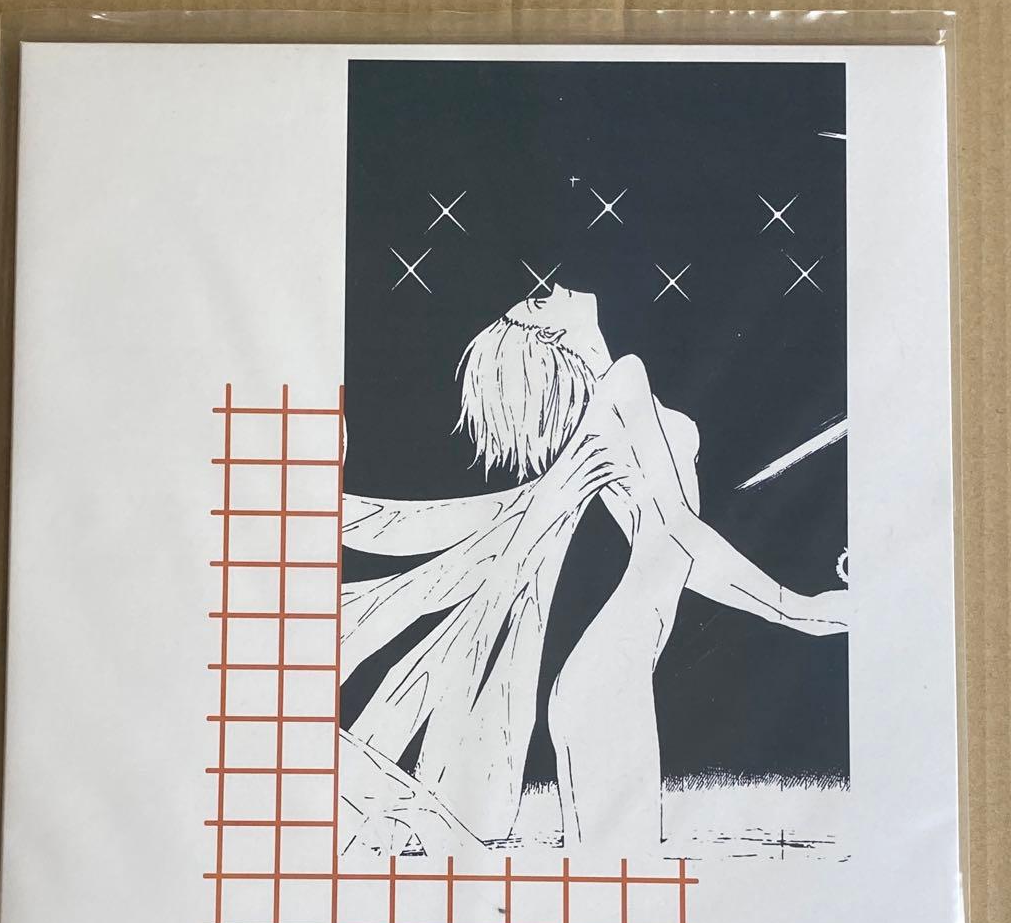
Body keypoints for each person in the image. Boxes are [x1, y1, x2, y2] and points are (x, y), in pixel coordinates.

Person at [339, 284, 847, 857]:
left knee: (615, 883)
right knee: (619, 885)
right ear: (548, 331)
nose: (558, 286)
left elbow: (670, 550)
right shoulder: (625, 384)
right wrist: (794, 607)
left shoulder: (612, 402)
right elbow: (678, 530)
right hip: (608, 680)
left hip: (609, 676)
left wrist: (796, 609)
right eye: (537, 298)